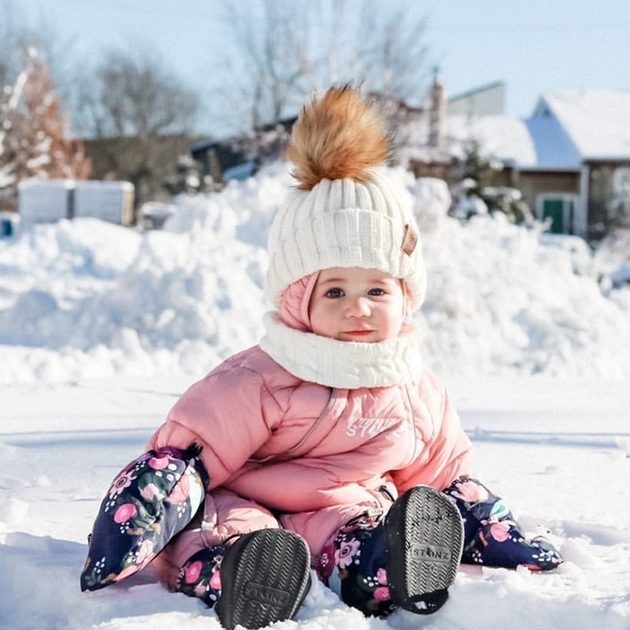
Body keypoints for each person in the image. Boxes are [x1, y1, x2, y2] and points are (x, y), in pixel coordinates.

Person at [80, 87, 563, 630]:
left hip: (339, 510)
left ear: (405, 295)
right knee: (214, 534)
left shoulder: (413, 391)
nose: (358, 308)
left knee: (358, 534)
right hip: (242, 504)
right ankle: (240, 575)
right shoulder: (261, 378)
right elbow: (185, 458)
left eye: (377, 292)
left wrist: (494, 533)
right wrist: (132, 527)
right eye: (335, 292)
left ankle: (393, 564)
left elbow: (448, 479)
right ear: (298, 296)